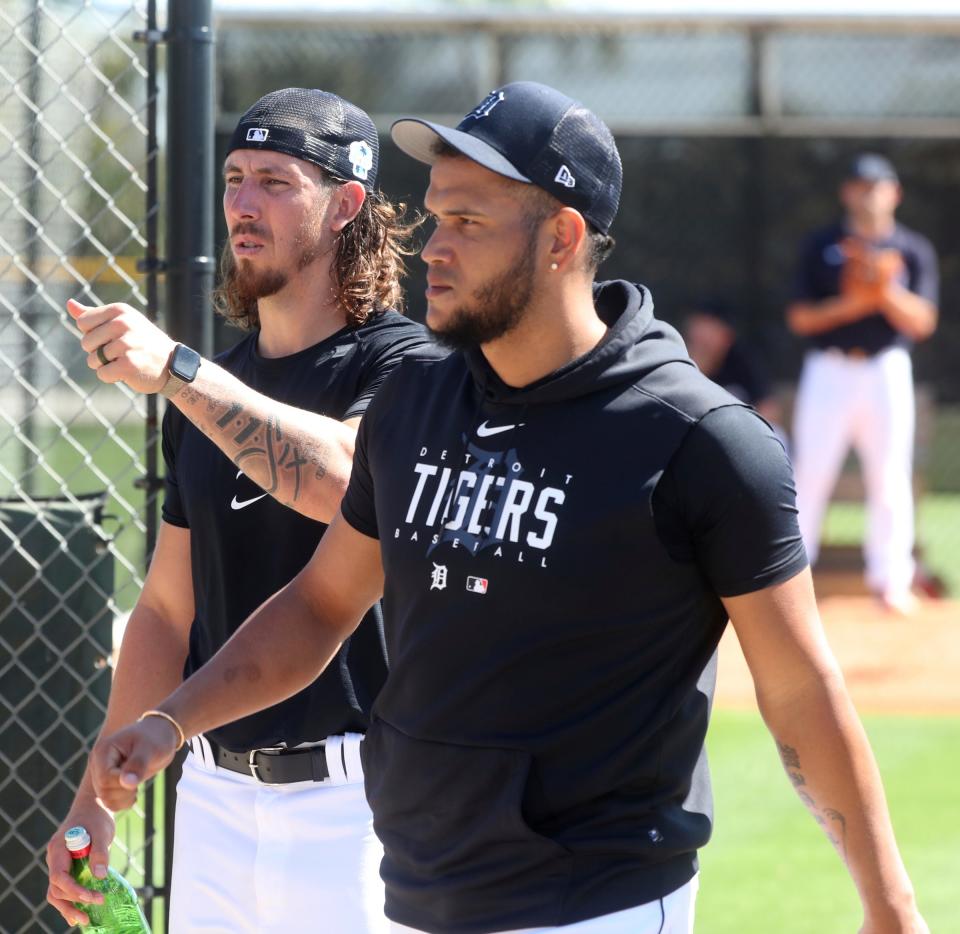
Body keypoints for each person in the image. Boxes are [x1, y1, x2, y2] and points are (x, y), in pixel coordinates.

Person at [90, 83, 927, 934]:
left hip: (598, 904)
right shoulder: (418, 403)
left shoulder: (700, 440)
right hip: (421, 892)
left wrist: (888, 904)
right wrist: (171, 721)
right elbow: (318, 607)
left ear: (562, 237)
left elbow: (798, 688)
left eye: (468, 224)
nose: (433, 250)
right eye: (437, 217)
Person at [45, 88, 430, 933]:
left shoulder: (409, 367)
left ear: (346, 205)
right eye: (233, 179)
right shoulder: (212, 386)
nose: (243, 205)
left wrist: (180, 374)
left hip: (356, 802)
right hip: (211, 796)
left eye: (276, 181)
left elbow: (343, 481)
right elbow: (165, 610)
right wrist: (95, 802)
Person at [786, 153, 939, 616]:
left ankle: (891, 581)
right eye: (860, 185)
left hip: (885, 370)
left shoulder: (912, 250)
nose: (869, 194)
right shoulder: (822, 245)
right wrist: (854, 303)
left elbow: (924, 321)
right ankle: (790, 579)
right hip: (829, 369)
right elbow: (800, 317)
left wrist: (885, 292)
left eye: (878, 186)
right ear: (847, 192)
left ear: (894, 193)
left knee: (890, 474)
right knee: (809, 472)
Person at [682, 296, 783, 429]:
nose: (702, 336)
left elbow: (770, 410)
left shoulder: (743, 360)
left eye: (710, 328)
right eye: (698, 327)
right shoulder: (681, 360)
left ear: (727, 334)